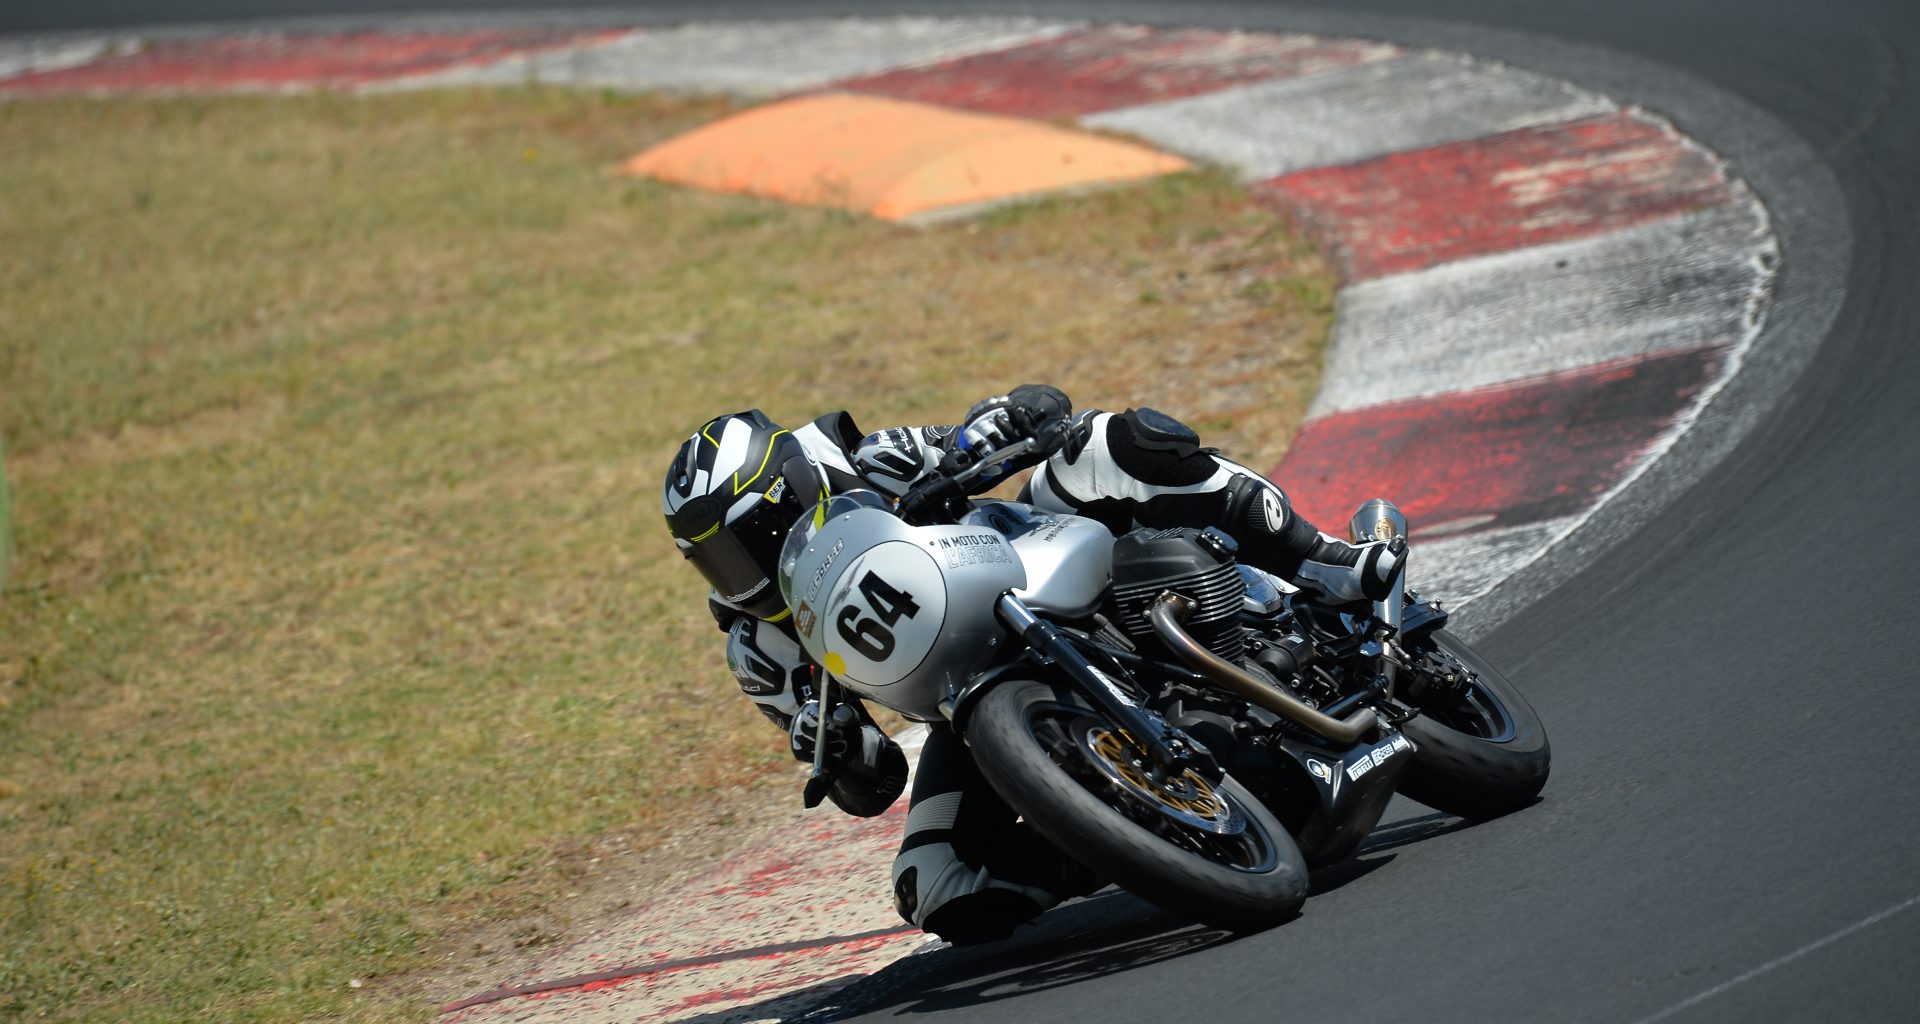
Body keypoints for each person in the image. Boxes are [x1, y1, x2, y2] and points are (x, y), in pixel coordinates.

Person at [662, 385, 1404, 944]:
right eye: (717, 564)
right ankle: (1132, 837)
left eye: (745, 541)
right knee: (937, 889)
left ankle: (1325, 563)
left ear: (787, 489)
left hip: (1034, 561)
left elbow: (1008, 427)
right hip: (967, 702)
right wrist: (838, 750)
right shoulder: (759, 647)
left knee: (1113, 442)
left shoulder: (862, 463)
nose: (743, 574)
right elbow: (873, 783)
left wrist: (1001, 423)